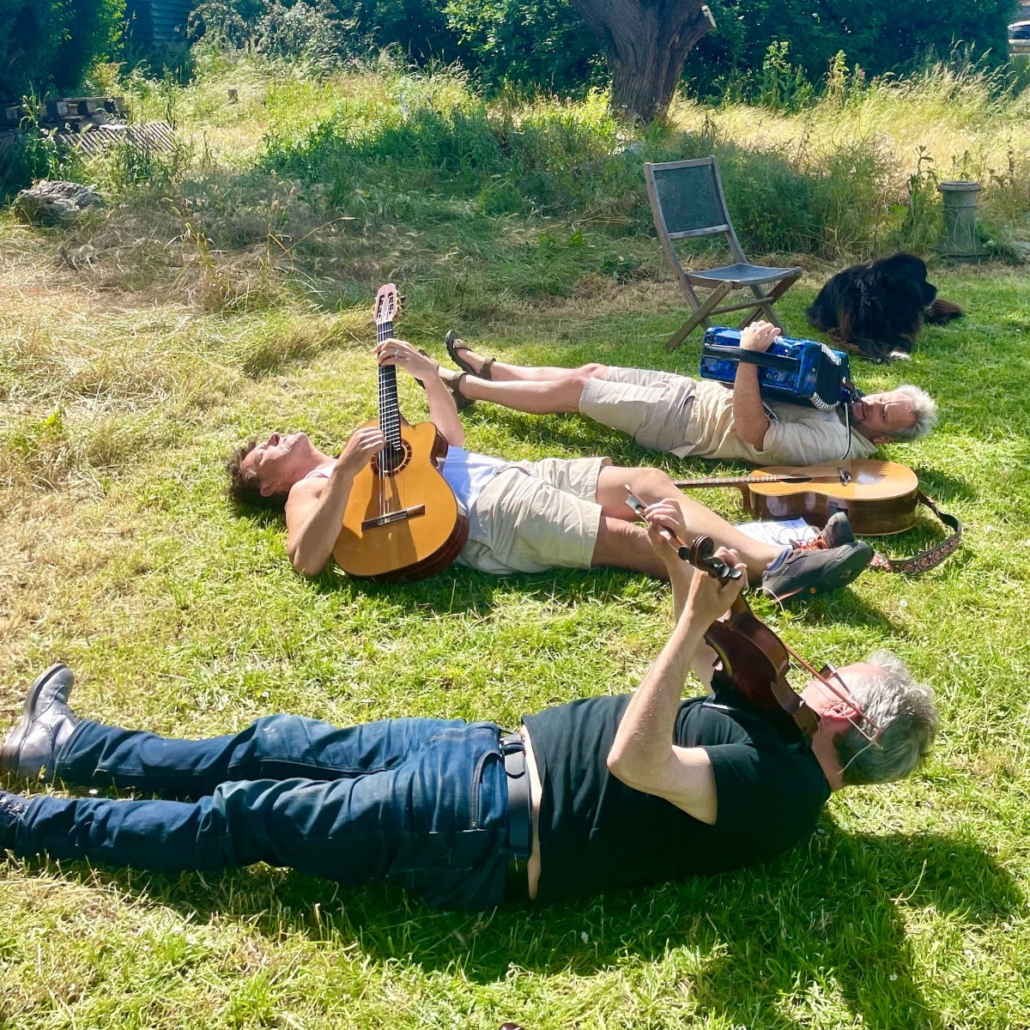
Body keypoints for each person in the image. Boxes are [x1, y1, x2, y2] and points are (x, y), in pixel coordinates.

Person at [0, 507, 939, 911]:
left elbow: (636, 761)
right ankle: (70, 743)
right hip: (480, 757)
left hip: (482, 831)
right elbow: (695, 659)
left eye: (835, 678)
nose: (814, 672)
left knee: (247, 816)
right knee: (272, 744)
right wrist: (674, 570)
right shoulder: (775, 720)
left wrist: (695, 619)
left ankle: (28, 822)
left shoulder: (779, 795)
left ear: (849, 720)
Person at [225, 339, 873, 602]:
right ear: (272, 484)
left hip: (511, 469)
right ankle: (779, 570)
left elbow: (449, 443)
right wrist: (341, 475)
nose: (279, 438)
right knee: (626, 534)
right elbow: (308, 560)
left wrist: (427, 375)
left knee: (648, 486)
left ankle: (773, 553)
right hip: (487, 518)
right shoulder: (308, 491)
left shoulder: (364, 443)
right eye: (266, 451)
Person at [434, 321, 938, 467]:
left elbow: (754, 433)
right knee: (592, 368)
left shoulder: (836, 444)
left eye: (880, 415)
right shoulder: (841, 398)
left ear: (886, 441)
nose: (869, 405)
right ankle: (493, 368)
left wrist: (750, 356)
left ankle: (465, 387)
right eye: (880, 398)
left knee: (577, 389)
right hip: (692, 393)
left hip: (687, 426)